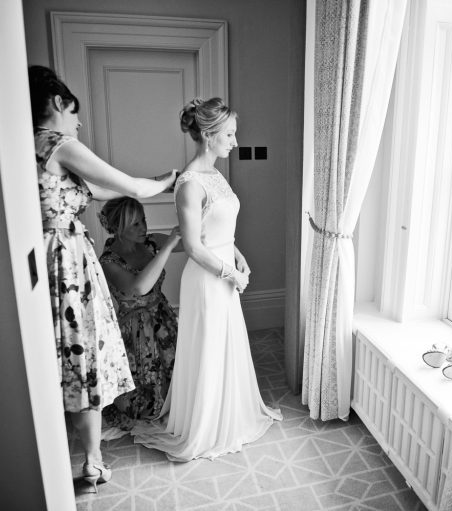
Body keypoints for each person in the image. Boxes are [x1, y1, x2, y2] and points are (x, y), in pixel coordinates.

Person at [29, 65, 179, 491]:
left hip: (46, 257)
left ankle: (84, 455)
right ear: (58, 103)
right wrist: (167, 180)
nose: (78, 122)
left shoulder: (26, 147)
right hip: (67, 261)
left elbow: (99, 191)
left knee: (66, 358)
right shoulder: (57, 142)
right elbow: (126, 184)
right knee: (83, 357)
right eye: (74, 111)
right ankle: (91, 460)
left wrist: (141, 187)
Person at [133, 97, 282, 461]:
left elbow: (222, 233)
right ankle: (206, 425)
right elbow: (194, 245)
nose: (234, 141)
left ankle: (229, 414)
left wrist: (238, 257)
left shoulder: (216, 175)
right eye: (229, 134)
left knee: (225, 344)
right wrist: (229, 272)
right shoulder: (189, 184)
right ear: (208, 134)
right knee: (209, 348)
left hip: (224, 271)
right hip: (206, 279)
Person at [97, 198, 182, 436]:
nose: (143, 228)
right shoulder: (108, 261)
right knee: (145, 399)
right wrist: (167, 247)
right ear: (117, 228)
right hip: (134, 331)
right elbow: (139, 287)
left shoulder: (152, 242)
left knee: (177, 379)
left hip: (162, 318)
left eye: (143, 220)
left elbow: (192, 242)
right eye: (134, 225)